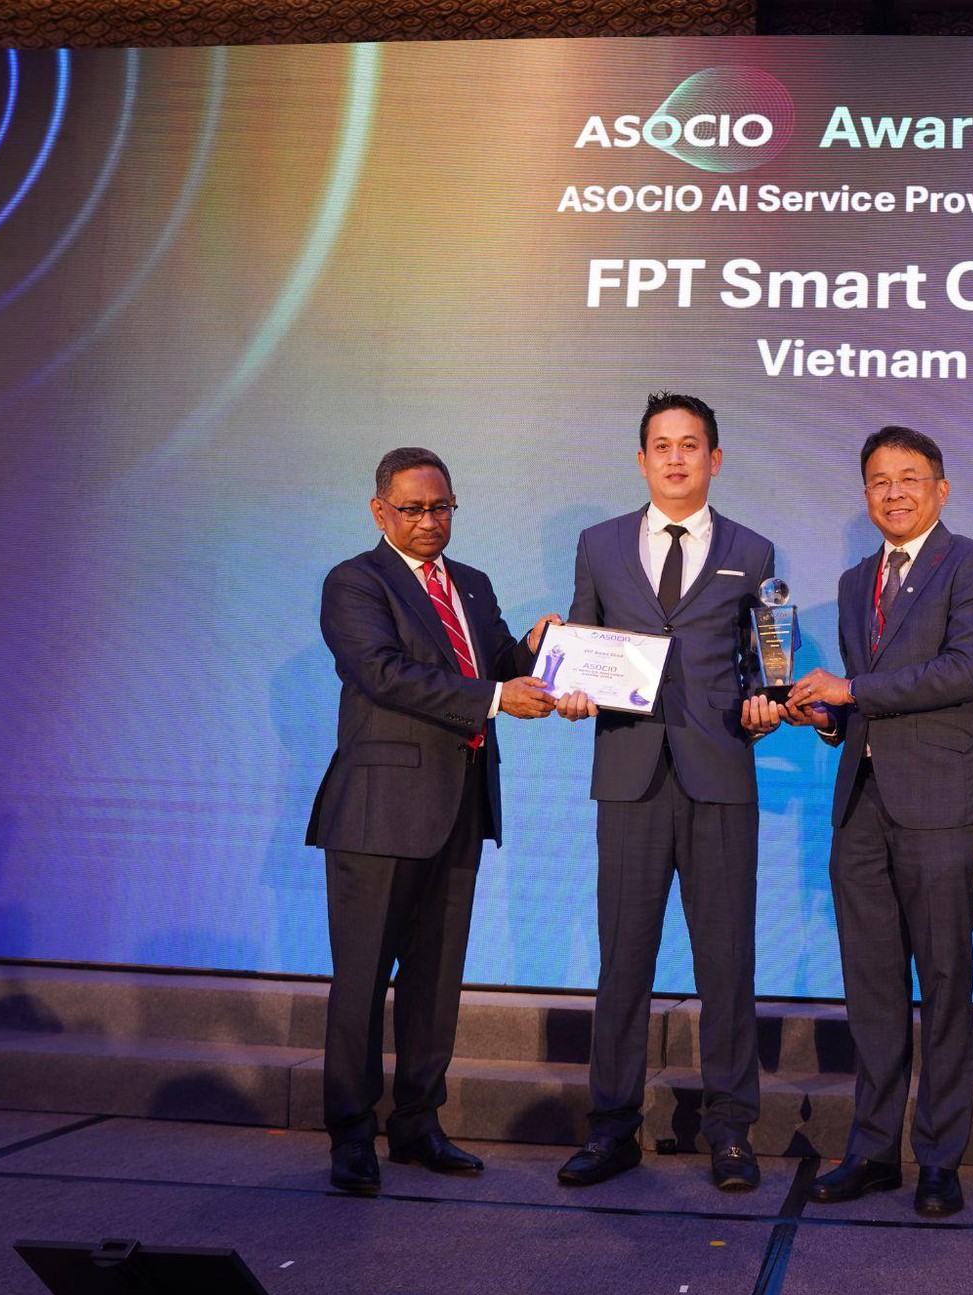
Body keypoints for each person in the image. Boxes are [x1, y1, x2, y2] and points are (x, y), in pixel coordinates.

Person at [308, 446, 557, 1196]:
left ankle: (417, 1122)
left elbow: (492, 662)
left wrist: (535, 651)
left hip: (460, 804)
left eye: (440, 506)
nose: (428, 520)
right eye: (412, 508)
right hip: (378, 812)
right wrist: (496, 698)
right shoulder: (356, 581)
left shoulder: (471, 583)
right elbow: (383, 673)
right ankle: (352, 1132)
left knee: (436, 979)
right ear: (380, 510)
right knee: (362, 981)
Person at [550, 393, 780, 1193]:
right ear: (641, 458)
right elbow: (581, 641)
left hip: (720, 777)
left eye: (690, 445)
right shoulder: (600, 543)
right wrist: (569, 688)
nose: (675, 458)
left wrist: (767, 703)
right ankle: (612, 1126)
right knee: (623, 959)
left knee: (727, 962)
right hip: (630, 775)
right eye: (661, 444)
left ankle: (731, 1129)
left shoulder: (753, 548)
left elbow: (763, 663)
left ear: (715, 458)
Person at [784, 426, 973, 1218]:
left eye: (910, 477)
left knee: (943, 982)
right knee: (871, 988)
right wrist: (827, 718)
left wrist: (849, 691)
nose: (894, 492)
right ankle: (874, 1149)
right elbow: (864, 695)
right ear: (865, 494)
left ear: (941, 489)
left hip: (940, 806)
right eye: (879, 480)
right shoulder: (855, 580)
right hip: (861, 806)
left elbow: (961, 672)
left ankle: (940, 1158)